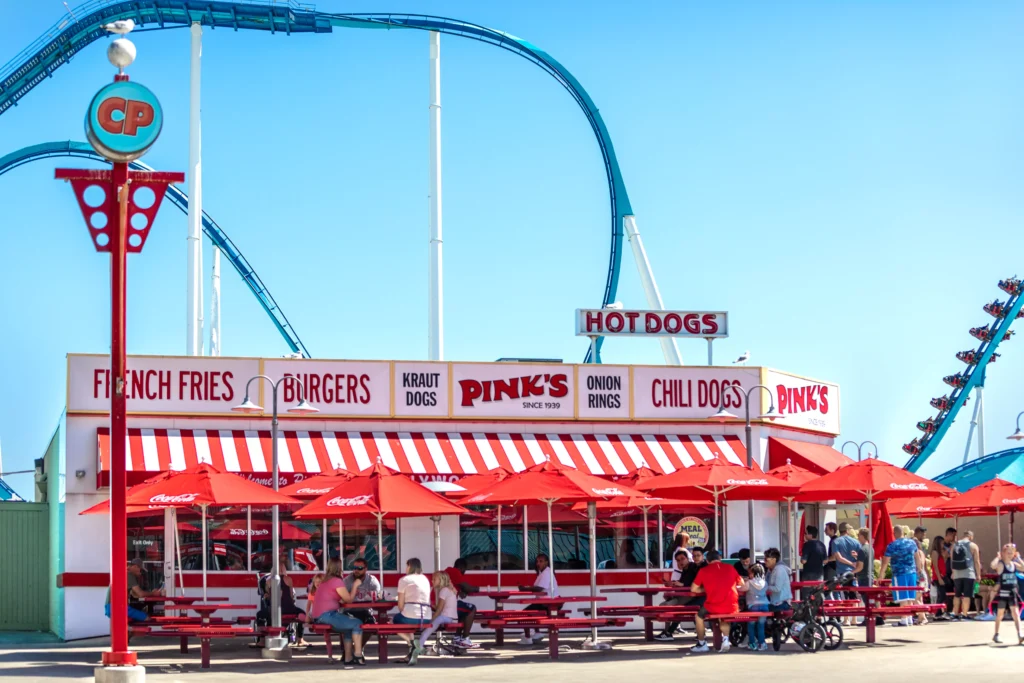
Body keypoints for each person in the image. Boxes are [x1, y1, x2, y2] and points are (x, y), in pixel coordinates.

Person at [309, 558, 365, 667]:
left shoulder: (325, 581)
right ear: (339, 568)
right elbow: (348, 599)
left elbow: (339, 599)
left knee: (349, 627)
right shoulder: (336, 581)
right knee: (357, 623)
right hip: (326, 615)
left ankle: (348, 658)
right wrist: (355, 585)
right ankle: (358, 655)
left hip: (319, 616)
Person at [689, 549, 747, 653]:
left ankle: (702, 643)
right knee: (724, 617)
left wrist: (705, 588)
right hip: (732, 604)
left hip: (713, 604)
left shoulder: (703, 570)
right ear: (720, 559)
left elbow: (693, 589)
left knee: (698, 617)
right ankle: (725, 640)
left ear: (707, 560)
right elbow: (741, 583)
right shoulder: (730, 568)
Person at [256, 554, 307, 647]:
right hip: (289, 608)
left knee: (260, 615)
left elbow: (268, 596)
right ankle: (300, 639)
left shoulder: (268, 581)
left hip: (274, 610)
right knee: (303, 613)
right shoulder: (288, 579)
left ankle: (262, 640)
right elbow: (292, 596)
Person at [412, 571, 459, 664]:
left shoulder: (444, 591)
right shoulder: (449, 590)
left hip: (446, 617)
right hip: (451, 617)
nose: (432, 581)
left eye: (434, 579)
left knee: (429, 628)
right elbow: (440, 607)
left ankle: (419, 646)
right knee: (431, 625)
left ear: (441, 580)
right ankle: (420, 645)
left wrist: (431, 620)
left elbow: (439, 610)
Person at [394, 557, 433, 665]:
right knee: (408, 627)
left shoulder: (404, 580)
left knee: (392, 622)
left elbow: (400, 606)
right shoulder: (425, 579)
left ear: (410, 566)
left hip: (410, 616)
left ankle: (412, 644)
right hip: (426, 617)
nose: (405, 568)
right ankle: (411, 653)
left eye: (407, 566)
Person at [655, 549, 700, 641]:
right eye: (678, 560)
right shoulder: (685, 570)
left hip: (693, 596)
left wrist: (677, 584)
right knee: (669, 607)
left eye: (682, 559)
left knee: (666, 606)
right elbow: (683, 584)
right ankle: (668, 632)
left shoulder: (693, 567)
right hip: (686, 596)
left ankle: (668, 632)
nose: (681, 562)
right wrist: (673, 585)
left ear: (688, 558)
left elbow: (691, 584)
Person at [879, 526, 919, 627]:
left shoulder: (892, 545)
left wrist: (881, 575)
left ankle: (903, 619)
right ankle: (909, 617)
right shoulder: (912, 543)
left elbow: (885, 561)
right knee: (910, 597)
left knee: (903, 597)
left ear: (895, 533)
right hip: (912, 573)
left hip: (899, 573)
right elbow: (917, 557)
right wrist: (918, 569)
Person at [517, 553, 561, 645]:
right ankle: (537, 633)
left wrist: (525, 588)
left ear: (546, 562)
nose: (538, 563)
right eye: (537, 561)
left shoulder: (547, 573)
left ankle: (527, 638)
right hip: (547, 602)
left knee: (525, 614)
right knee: (531, 612)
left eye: (541, 561)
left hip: (548, 603)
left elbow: (539, 588)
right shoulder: (544, 573)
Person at [989, 543, 1024, 644]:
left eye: (1012, 553)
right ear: (1003, 553)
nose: (1010, 555)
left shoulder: (1013, 564)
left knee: (1016, 613)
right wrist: (997, 557)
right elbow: (993, 565)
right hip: (1003, 593)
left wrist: (1019, 558)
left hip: (1013, 592)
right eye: (1008, 553)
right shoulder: (1001, 564)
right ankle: (996, 634)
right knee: (1000, 614)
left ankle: (1020, 634)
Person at [444, 557, 481, 649]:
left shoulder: (448, 571)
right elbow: (467, 587)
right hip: (447, 605)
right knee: (472, 608)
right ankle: (465, 638)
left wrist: (461, 590)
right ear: (461, 568)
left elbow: (459, 588)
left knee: (464, 609)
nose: (464, 572)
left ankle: (457, 637)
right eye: (465, 570)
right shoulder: (455, 572)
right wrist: (476, 588)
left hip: (444, 603)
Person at [342, 557, 382, 630]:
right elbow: (342, 598)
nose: (356, 570)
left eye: (359, 568)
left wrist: (376, 596)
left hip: (366, 611)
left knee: (372, 627)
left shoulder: (372, 580)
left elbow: (378, 596)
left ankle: (361, 642)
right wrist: (352, 592)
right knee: (347, 626)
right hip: (349, 611)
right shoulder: (347, 580)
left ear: (365, 569)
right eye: (354, 568)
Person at [950, 530, 982, 621]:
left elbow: (952, 560)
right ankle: (964, 615)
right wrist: (978, 574)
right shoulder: (973, 546)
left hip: (957, 574)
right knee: (967, 595)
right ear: (971, 537)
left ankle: (955, 614)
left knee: (957, 594)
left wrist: (953, 572)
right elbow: (976, 561)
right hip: (969, 573)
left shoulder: (955, 545)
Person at [745, 564, 770, 651]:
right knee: (761, 625)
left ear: (753, 573)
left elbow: (741, 589)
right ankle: (762, 643)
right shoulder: (765, 583)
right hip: (765, 606)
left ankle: (752, 643)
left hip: (753, 606)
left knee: (751, 625)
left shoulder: (749, 583)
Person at [800, 526, 827, 599]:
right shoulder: (822, 545)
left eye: (806, 533)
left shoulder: (807, 545)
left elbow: (803, 561)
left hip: (808, 573)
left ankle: (807, 609)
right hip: (819, 573)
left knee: (807, 594)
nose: (804, 535)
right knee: (818, 593)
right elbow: (825, 560)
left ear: (810, 535)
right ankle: (818, 608)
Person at [930, 534, 950, 620]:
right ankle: (937, 613)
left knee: (943, 595)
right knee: (942, 595)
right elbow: (935, 566)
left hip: (942, 575)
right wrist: (939, 578)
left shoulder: (940, 553)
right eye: (942, 543)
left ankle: (940, 612)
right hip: (938, 577)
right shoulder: (935, 552)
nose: (943, 545)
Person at [824, 522, 838, 599]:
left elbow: (835, 556)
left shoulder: (834, 540)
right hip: (834, 567)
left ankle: (831, 602)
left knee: (829, 586)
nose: (825, 531)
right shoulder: (834, 540)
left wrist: (827, 560)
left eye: (827, 529)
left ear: (832, 530)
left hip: (833, 567)